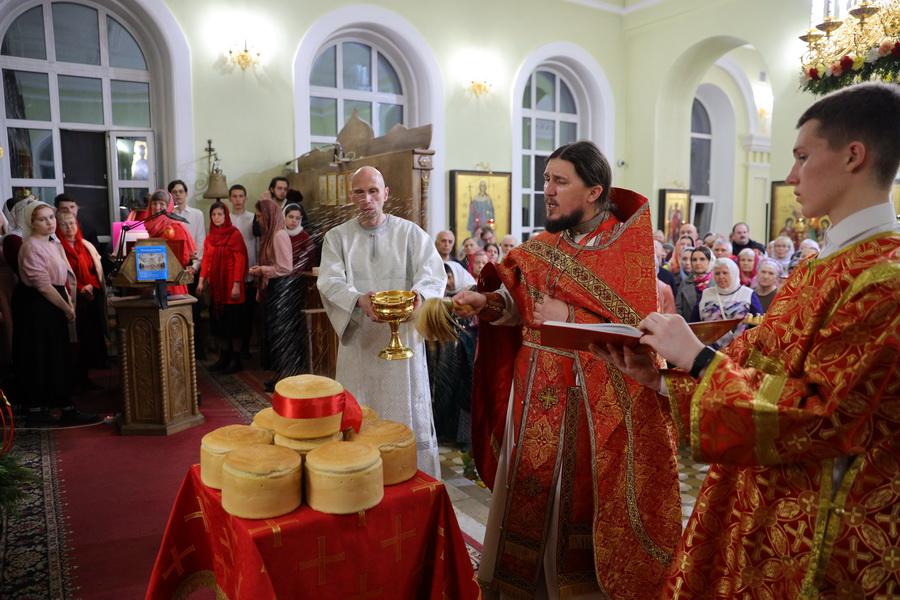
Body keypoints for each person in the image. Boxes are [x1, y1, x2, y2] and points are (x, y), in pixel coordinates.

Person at [593, 82, 900, 598]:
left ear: (854, 156)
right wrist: (667, 378)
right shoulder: (819, 267)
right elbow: (756, 365)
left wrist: (697, 357)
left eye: (803, 156)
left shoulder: (884, 278)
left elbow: (822, 414)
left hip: (826, 525)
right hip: (762, 497)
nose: (791, 176)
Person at [452, 141, 679, 598]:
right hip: (534, 388)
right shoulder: (543, 246)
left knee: (574, 502)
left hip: (592, 404)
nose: (547, 191)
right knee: (528, 493)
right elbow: (521, 307)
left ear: (594, 191)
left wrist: (569, 318)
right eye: (546, 180)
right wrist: (489, 303)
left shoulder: (627, 250)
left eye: (560, 181)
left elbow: (636, 326)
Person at [317, 166, 446, 477]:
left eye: (374, 191)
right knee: (361, 408)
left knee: (405, 414)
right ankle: (360, 476)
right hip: (361, 341)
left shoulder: (411, 234)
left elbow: (434, 275)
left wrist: (418, 296)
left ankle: (411, 474)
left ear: (386, 194)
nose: (367, 199)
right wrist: (359, 300)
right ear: (351, 196)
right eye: (359, 192)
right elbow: (329, 281)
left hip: (405, 345)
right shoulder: (337, 238)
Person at [12, 202, 99, 426]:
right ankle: (38, 409)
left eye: (51, 217)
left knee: (58, 356)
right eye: (42, 219)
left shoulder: (52, 242)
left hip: (54, 302)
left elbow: (64, 277)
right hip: (38, 306)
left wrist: (68, 301)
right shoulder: (30, 246)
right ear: (31, 222)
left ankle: (63, 405)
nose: (50, 222)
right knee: (41, 356)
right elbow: (43, 285)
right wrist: (66, 307)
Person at [57, 211, 107, 387]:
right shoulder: (57, 247)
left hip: (90, 299)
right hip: (72, 300)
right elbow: (61, 276)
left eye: (72, 223)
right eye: (64, 224)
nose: (69, 227)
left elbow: (95, 271)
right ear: (58, 227)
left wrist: (92, 285)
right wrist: (81, 288)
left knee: (89, 341)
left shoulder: (85, 245)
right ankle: (74, 381)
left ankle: (86, 377)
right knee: (74, 343)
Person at [197, 202, 248, 374]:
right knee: (219, 325)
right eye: (214, 215)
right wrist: (201, 281)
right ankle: (224, 357)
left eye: (220, 214)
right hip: (216, 288)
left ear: (226, 216)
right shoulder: (210, 237)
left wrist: (236, 285)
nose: (217, 217)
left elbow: (240, 261)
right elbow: (206, 261)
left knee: (233, 325)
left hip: (231, 287)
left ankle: (236, 359)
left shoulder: (234, 234)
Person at [248, 199, 292, 392]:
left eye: (259, 216)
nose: (257, 219)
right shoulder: (271, 234)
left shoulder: (279, 235)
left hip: (280, 290)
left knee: (279, 334)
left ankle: (284, 377)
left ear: (269, 215)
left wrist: (262, 270)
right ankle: (279, 376)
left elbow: (285, 268)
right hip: (273, 288)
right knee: (273, 334)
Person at [690, 256, 762, 348]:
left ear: (734, 273)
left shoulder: (748, 294)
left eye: (725, 273)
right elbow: (694, 323)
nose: (721, 276)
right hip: (711, 352)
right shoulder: (705, 294)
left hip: (741, 351)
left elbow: (758, 323)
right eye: (717, 273)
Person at [144, 190, 197, 296]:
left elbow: (183, 258)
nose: (157, 207)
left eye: (162, 204)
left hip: (172, 283)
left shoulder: (174, 227)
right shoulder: (145, 226)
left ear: (168, 207)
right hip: (149, 281)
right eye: (154, 203)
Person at [227, 184, 258, 357]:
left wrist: (257, 266)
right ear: (230, 199)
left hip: (250, 268)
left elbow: (257, 243)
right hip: (232, 270)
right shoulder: (226, 219)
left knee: (248, 311)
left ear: (245, 198)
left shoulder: (253, 218)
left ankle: (246, 347)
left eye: (241, 196)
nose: (238, 200)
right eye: (234, 196)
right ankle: (234, 351)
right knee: (234, 313)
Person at [675, 245, 712, 321]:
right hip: (689, 328)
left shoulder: (716, 282)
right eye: (694, 260)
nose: (698, 263)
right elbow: (678, 308)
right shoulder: (685, 283)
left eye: (702, 259)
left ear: (709, 261)